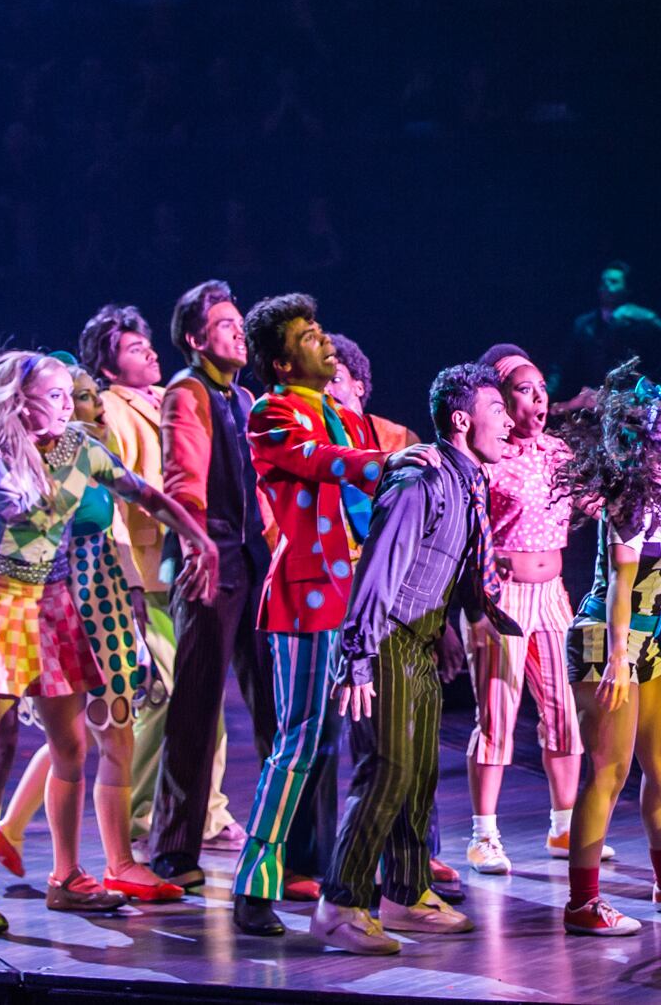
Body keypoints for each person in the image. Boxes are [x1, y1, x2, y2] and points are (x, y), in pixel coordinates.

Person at [0, 352, 215, 936]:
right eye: (54, 395)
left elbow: (145, 495)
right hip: (5, 603)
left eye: (67, 395)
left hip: (58, 608)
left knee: (72, 748)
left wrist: (199, 539)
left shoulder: (81, 450)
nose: (65, 404)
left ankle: (66, 876)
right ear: (18, 399)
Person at [314, 363, 515, 954]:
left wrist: (457, 624)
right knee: (388, 768)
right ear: (461, 420)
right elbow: (380, 571)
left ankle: (406, 891)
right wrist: (356, 656)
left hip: (422, 635)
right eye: (496, 411)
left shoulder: (467, 479)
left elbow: (445, 563)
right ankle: (341, 902)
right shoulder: (420, 479)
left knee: (422, 770)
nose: (507, 422)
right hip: (387, 637)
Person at [227, 294, 395, 937]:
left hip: (357, 598)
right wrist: (387, 462)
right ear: (279, 362)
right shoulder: (272, 412)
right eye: (307, 335)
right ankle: (253, 885)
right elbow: (317, 463)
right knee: (298, 743)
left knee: (370, 746)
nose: (324, 340)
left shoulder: (342, 415)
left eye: (321, 329)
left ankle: (359, 877)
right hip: (307, 595)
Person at [0, 360, 181, 904]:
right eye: (74, 396)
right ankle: (62, 867)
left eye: (88, 396)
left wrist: (135, 600)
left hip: (109, 605)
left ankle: (119, 863)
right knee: (71, 742)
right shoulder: (37, 464)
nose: (84, 404)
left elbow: (123, 520)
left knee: (118, 733)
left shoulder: (93, 456)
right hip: (65, 612)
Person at [554, 362, 661, 935]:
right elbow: (621, 592)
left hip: (642, 648)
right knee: (608, 770)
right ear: (650, 448)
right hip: (606, 642)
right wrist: (619, 662)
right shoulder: (630, 502)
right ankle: (582, 904)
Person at [74, 302, 230, 847]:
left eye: (148, 342)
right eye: (132, 348)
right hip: (148, 566)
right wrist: (129, 584)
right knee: (166, 695)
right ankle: (142, 812)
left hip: (191, 561)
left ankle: (207, 812)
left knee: (203, 692)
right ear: (110, 369)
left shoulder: (177, 398)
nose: (148, 350)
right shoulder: (110, 412)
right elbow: (113, 497)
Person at [147, 281, 280, 891]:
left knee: (275, 707)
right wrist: (196, 547)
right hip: (211, 557)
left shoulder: (245, 398)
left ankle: (285, 841)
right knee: (197, 706)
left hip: (253, 560)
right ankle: (173, 848)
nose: (237, 330)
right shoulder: (187, 391)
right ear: (196, 339)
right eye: (224, 323)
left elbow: (262, 491)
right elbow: (182, 478)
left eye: (238, 321)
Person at [460, 344, 590, 877]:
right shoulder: (486, 457)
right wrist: (474, 606)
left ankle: (564, 826)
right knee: (497, 714)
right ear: (499, 398)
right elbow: (467, 534)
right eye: (523, 390)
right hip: (504, 595)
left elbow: (595, 504)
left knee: (563, 711)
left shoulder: (556, 453)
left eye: (541, 390)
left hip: (553, 594)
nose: (538, 399)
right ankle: (483, 835)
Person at [563, 261, 661, 391]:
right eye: (603, 281)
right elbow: (566, 365)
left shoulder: (643, 321)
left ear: (627, 288)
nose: (606, 285)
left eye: (613, 282)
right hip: (594, 395)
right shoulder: (584, 324)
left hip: (633, 394)